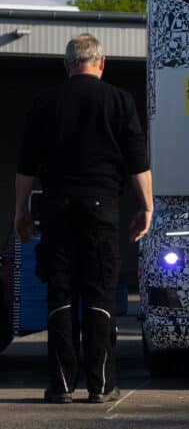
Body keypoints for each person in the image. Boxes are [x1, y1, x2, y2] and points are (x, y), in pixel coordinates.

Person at [14, 33, 153, 404]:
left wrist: (21, 211)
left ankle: (60, 385)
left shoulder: (44, 102)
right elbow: (139, 161)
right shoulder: (120, 101)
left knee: (60, 292)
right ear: (102, 63)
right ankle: (101, 384)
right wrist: (147, 207)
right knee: (99, 291)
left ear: (66, 65)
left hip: (56, 208)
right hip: (101, 208)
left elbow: (26, 165)